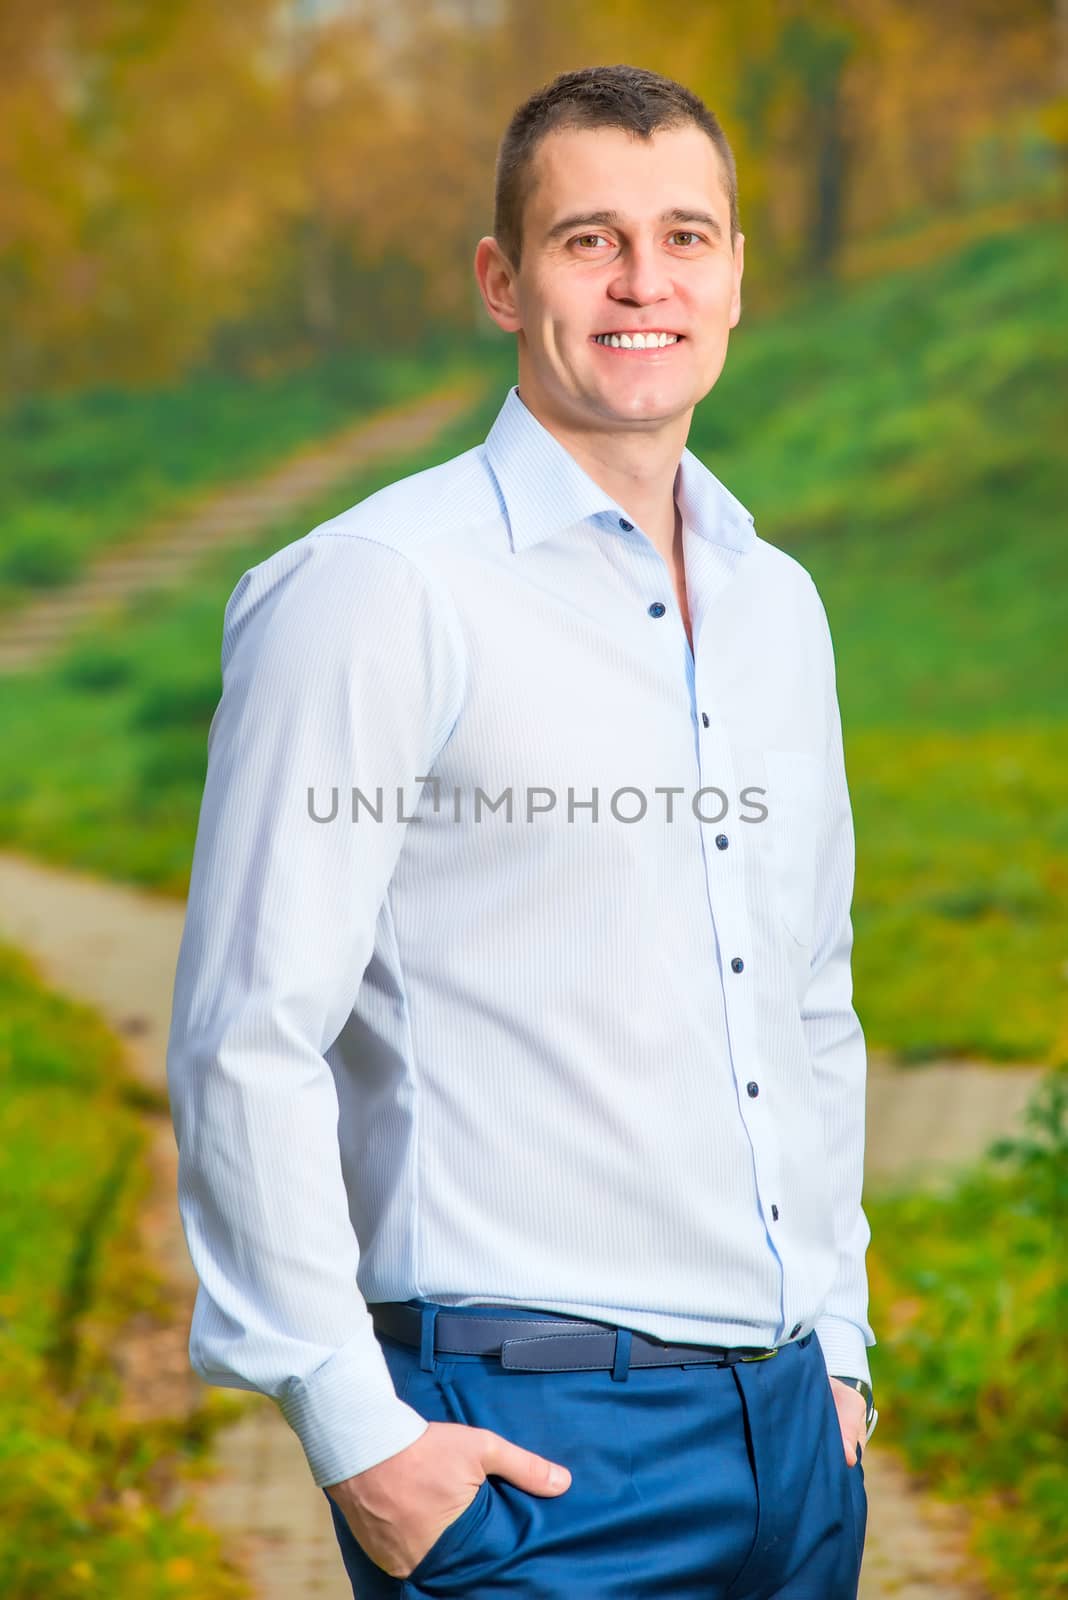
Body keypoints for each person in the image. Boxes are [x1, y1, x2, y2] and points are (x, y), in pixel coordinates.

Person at [166, 62, 877, 1599]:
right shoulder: (375, 590)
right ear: (502, 279)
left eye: (687, 236)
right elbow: (247, 1036)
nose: (645, 283)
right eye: (588, 241)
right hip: (527, 1461)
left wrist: (842, 1353)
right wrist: (361, 1435)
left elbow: (808, 1002)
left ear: (739, 275)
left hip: (792, 1446)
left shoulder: (780, 606)